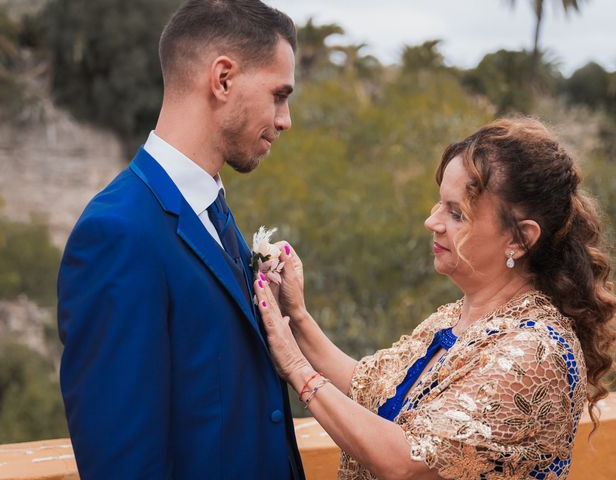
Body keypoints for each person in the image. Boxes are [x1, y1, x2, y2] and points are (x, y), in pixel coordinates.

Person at [253, 118, 616, 479]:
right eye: (440, 204)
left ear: (519, 239)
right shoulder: (454, 319)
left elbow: (405, 461)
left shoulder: (535, 351)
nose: (433, 221)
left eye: (456, 213)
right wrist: (296, 315)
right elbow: (366, 388)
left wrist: (298, 370)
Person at [57, 1, 304, 478]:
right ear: (223, 79)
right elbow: (122, 463)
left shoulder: (214, 213)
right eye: (278, 95)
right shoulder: (118, 233)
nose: (285, 119)